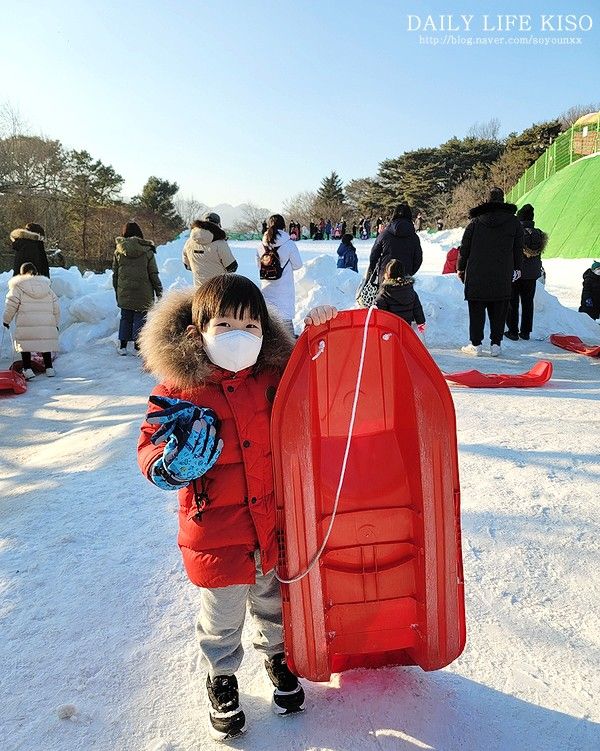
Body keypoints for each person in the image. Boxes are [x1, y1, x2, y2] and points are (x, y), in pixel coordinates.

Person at [137, 273, 337, 740]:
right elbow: (150, 441)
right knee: (222, 615)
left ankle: (277, 659)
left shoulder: (273, 377)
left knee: (273, 604)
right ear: (197, 331)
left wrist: (317, 330)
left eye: (250, 326)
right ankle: (221, 676)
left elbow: (317, 378)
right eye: (225, 325)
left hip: (268, 524)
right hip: (215, 532)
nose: (239, 336)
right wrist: (167, 466)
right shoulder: (180, 388)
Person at [457, 188, 523, 357]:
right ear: (502, 200)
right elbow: (518, 248)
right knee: (499, 309)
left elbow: (465, 248)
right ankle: (496, 344)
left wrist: (460, 267)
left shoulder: (475, 222)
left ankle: (476, 344)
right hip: (502, 274)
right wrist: (517, 268)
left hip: (477, 273)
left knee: (476, 309)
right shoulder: (514, 222)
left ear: (486, 201)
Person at [113, 222, 163, 356]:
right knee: (140, 317)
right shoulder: (147, 251)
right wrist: (159, 291)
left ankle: (122, 346)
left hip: (125, 290)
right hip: (143, 291)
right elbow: (153, 273)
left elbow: (115, 274)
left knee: (126, 317)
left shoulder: (119, 250)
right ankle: (138, 346)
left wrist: (117, 290)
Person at [3, 262, 59, 379]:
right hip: (45, 324)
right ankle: (49, 369)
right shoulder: (47, 288)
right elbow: (56, 307)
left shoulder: (18, 287)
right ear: (36, 273)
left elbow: (11, 305)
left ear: (22, 273)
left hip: (26, 323)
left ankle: (27, 370)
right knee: (45, 343)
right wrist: (55, 323)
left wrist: (6, 320)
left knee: (26, 345)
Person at [505, 204, 547, 340]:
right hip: (532, 275)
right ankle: (525, 332)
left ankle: (512, 331)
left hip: (516, 273)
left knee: (513, 302)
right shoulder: (539, 235)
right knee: (528, 302)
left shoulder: (516, 233)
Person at [257, 215, 303, 336]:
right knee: (287, 328)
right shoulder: (289, 244)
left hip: (267, 290)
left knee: (270, 323)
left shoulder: (261, 246)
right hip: (284, 290)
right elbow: (298, 265)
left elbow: (259, 266)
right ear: (284, 226)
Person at [366, 204, 423, 286]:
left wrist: (374, 272)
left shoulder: (384, 234)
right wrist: (409, 272)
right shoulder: (414, 237)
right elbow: (418, 259)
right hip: (405, 277)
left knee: (384, 297)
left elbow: (374, 255)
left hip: (385, 275)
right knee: (404, 297)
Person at [182, 219, 238, 287]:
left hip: (199, 289)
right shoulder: (220, 243)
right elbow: (232, 267)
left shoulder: (189, 242)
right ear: (217, 225)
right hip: (219, 288)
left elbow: (187, 265)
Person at [375, 259, 426, 332]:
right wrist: (421, 322)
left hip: (390, 330)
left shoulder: (384, 293)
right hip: (406, 327)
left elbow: (380, 314)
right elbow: (417, 309)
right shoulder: (410, 291)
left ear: (387, 273)